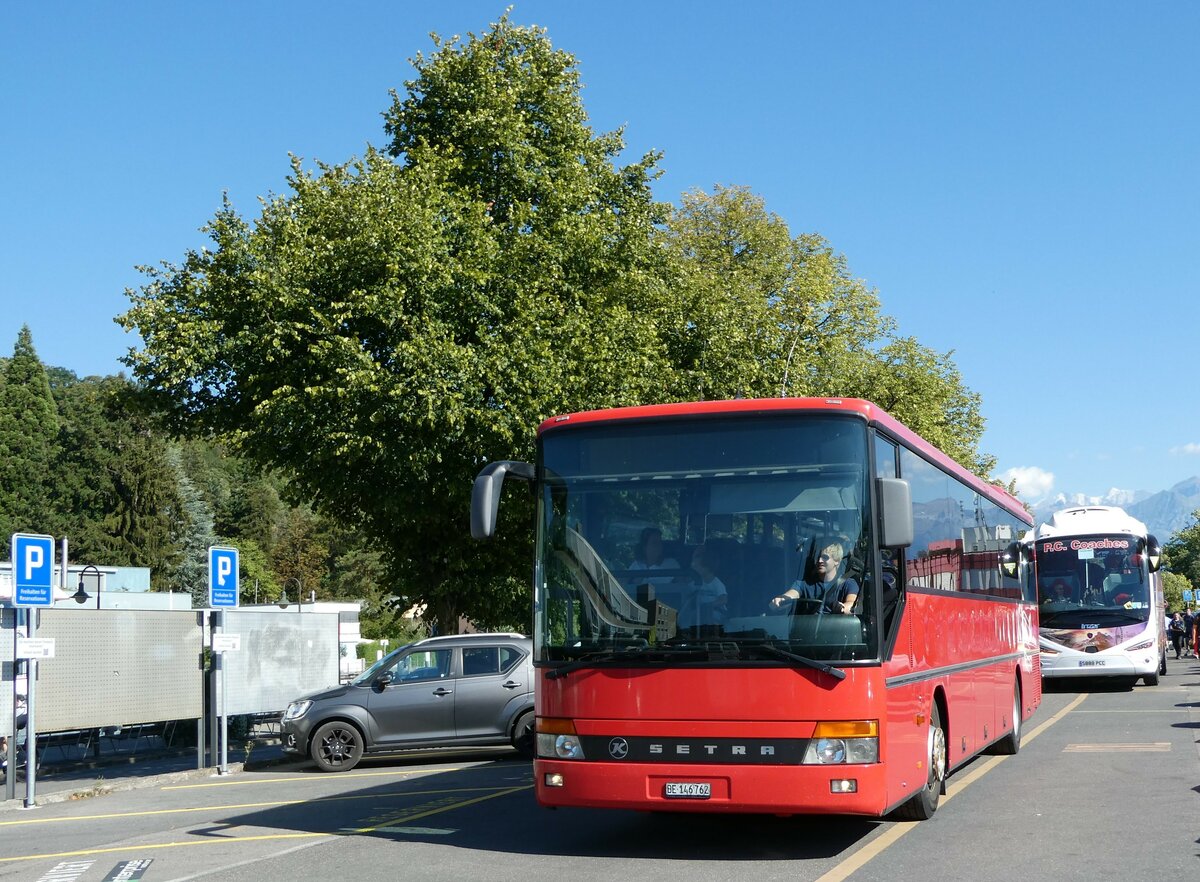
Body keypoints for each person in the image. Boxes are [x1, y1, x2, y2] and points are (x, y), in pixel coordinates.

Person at [770, 539, 859, 614]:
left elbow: (851, 603)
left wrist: (843, 608)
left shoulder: (848, 584)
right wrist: (781, 599)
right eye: (817, 557)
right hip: (807, 631)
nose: (819, 560)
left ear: (837, 561)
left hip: (835, 631)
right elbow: (792, 594)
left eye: (825, 557)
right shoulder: (803, 584)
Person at [681, 544, 728, 626]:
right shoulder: (695, 582)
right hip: (700, 613)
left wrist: (709, 606)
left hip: (715, 612)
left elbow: (723, 600)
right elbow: (686, 595)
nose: (694, 568)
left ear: (707, 567)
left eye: (698, 566)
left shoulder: (717, 583)